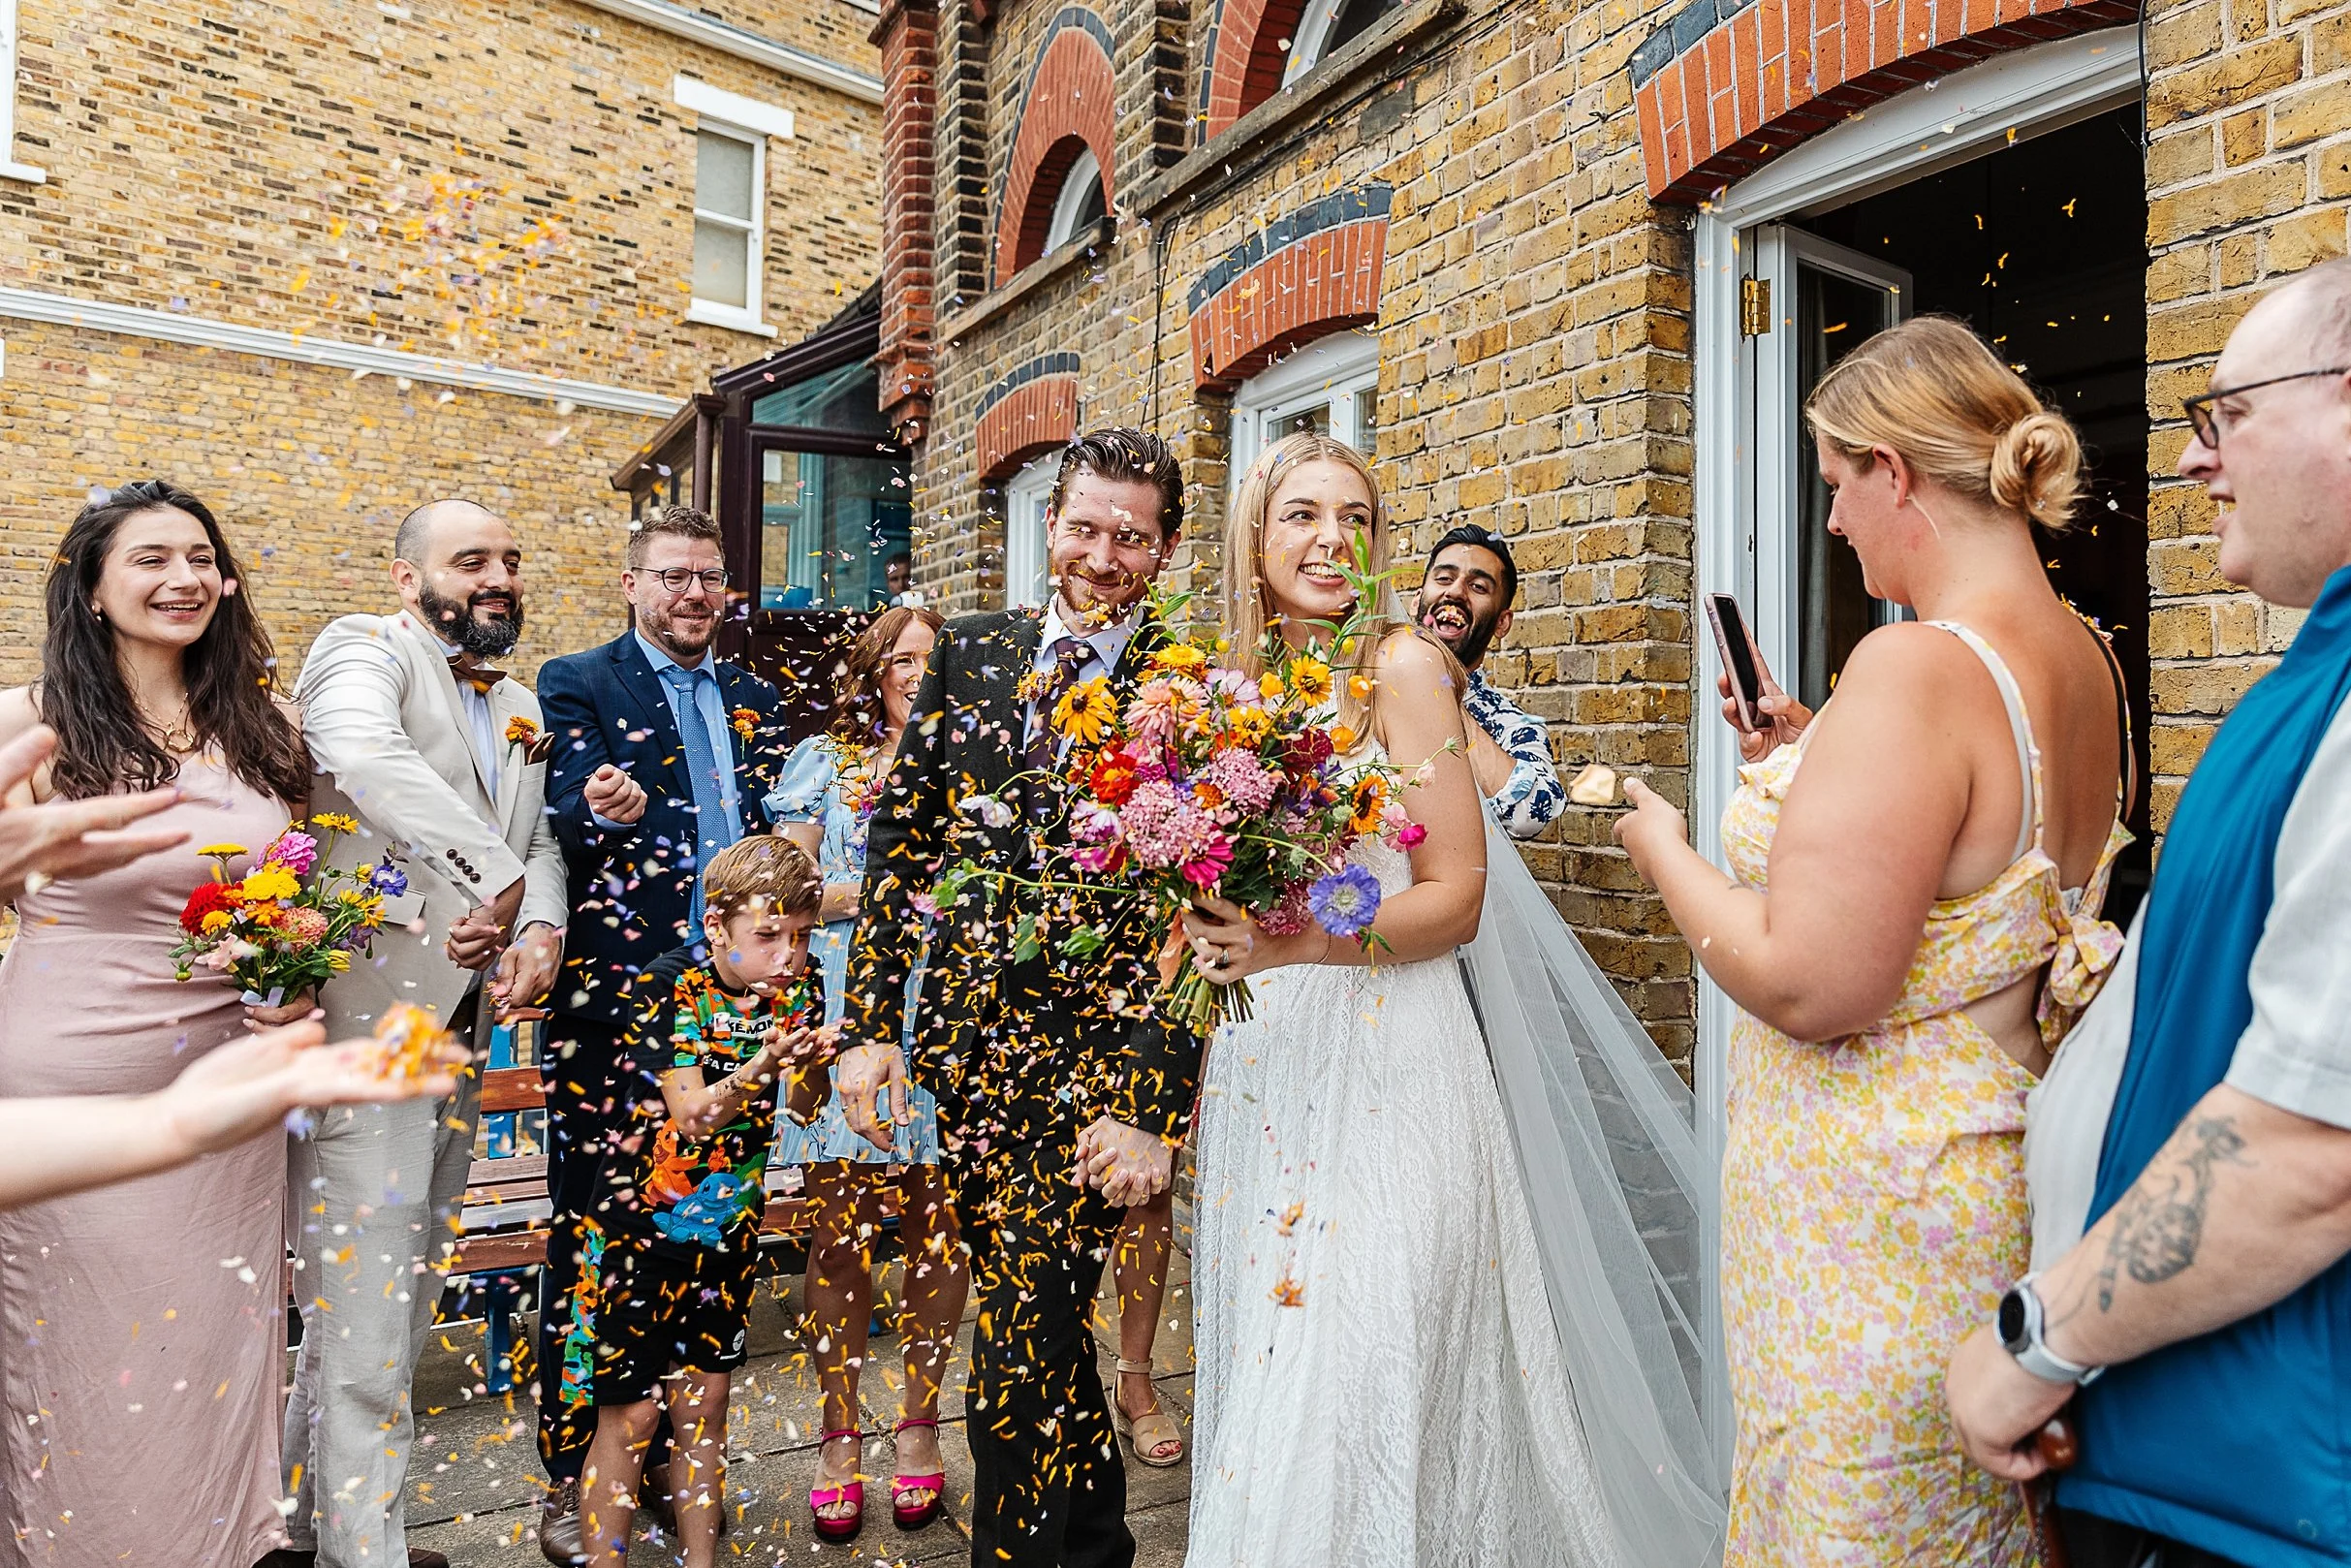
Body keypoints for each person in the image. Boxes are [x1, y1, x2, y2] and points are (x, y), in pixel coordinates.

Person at [1613, 316, 2132, 1562]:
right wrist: (1808, 755)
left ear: (1893, 472)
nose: (1834, 523)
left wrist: (1662, 850)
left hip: (1872, 1220)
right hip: (1988, 1174)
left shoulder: (1911, 666)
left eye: (1838, 485)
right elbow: (1962, 866)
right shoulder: (2084, 661)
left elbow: (1809, 979)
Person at [1164, 431, 1723, 1566]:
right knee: (1284, 1362)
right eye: (1303, 515)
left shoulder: (1404, 670)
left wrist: (1294, 944)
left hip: (1392, 1051)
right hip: (1271, 1064)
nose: (1331, 539)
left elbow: (1456, 897)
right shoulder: (1224, 689)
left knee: (1375, 1352)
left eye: (1356, 519)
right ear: (1253, 536)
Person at [1946, 259, 2351, 1568]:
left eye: (2222, 414)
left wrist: (2036, 1339)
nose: (2191, 462)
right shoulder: (2312, 674)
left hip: (2266, 1488)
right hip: (2198, 1455)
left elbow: (2309, 1146)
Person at [832, 428, 1203, 1568]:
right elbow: (904, 841)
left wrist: (1151, 1099)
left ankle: (1029, 1555)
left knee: (1019, 1333)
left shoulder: (1192, 693)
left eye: (1130, 537)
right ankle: (1091, 1540)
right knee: (1028, 1322)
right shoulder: (972, 653)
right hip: (969, 1055)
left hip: (1098, 1069)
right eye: (1084, 527)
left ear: (1166, 547)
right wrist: (865, 1027)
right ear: (1049, 525)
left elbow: (1198, 916)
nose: (1103, 554)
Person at [0, 480, 320, 1568]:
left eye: (200, 558)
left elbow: (294, 893)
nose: (183, 578)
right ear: (90, 588)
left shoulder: (265, 728)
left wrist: (294, 964)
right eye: (149, 559)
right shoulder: (28, 724)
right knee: (88, 1361)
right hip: (74, 1082)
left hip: (224, 1089)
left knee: (207, 1355)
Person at [283, 497, 570, 1568]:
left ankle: (305, 1525)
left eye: (509, 558)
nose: (497, 576)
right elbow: (359, 755)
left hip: (453, 1044)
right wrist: (493, 884)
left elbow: (533, 840)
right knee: (366, 1327)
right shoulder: (361, 651)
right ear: (407, 579)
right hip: (364, 1037)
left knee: (389, 1305)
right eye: (469, 560)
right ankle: (370, 1555)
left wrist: (537, 920)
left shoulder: (520, 702)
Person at [531, 503, 790, 1552]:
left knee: (706, 1240)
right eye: (671, 575)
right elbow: (563, 798)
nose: (693, 593)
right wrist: (602, 801)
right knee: (596, 1248)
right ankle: (573, 1471)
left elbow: (778, 839)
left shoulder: (756, 697)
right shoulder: (578, 682)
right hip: (618, 1024)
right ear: (630, 585)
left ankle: (680, 1462)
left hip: (733, 1024)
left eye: (709, 577)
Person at [763, 604, 971, 1538]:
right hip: (848, 1010)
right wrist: (898, 888)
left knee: (940, 1227)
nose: (915, 672)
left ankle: (920, 1424)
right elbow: (793, 892)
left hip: (954, 1016)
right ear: (872, 667)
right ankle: (838, 1431)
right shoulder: (825, 762)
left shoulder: (976, 760)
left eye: (933, 659)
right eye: (900, 656)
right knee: (836, 1235)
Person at [571, 834, 835, 1568]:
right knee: (633, 1415)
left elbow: (804, 1107)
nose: (789, 954)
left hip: (727, 1229)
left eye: (802, 937)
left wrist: (813, 1065)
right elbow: (691, 1113)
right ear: (716, 926)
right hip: (639, 1231)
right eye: (769, 936)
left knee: (705, 1408)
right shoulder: (668, 984)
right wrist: (765, 1061)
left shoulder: (799, 984)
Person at [1414, 521, 1564, 838]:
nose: (1455, 591)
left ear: (1501, 623)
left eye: (1478, 587)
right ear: (1417, 602)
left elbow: (1532, 814)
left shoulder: (1513, 727)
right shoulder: (1362, 687)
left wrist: (1441, 694)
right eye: (1444, 578)